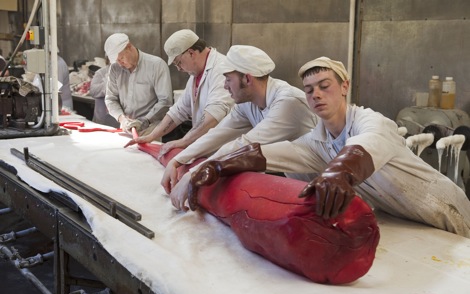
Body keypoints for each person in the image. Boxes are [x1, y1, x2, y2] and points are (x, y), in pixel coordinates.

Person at [179, 56, 470, 239]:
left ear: (345, 86)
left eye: (325, 85)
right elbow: (268, 153)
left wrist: (339, 173)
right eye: (309, 90)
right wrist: (214, 167)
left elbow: (360, 150)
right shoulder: (317, 143)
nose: (316, 94)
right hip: (408, 222)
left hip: (447, 214)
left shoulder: (372, 123)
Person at [160, 45, 318, 196]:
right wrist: (178, 159)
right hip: (303, 186)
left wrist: (193, 175)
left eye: (228, 79)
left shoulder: (288, 103)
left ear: (247, 79)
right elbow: (218, 134)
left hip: (327, 190)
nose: (225, 85)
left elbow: (245, 145)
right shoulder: (248, 102)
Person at [124, 29, 233, 152]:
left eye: (178, 63)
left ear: (191, 53)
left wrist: (184, 141)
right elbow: (178, 111)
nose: (179, 69)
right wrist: (151, 136)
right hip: (207, 147)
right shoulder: (195, 75)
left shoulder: (221, 69)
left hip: (225, 149)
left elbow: (213, 116)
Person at [104, 33, 173, 136]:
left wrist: (145, 120)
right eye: (117, 60)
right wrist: (122, 118)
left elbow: (165, 101)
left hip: (150, 130)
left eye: (121, 58)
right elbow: (110, 98)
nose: (119, 63)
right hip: (126, 128)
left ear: (129, 46)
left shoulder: (156, 65)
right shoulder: (115, 68)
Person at [88, 57, 120, 128]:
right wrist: (107, 86)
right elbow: (93, 91)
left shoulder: (126, 72)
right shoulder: (101, 73)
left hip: (119, 120)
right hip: (102, 120)